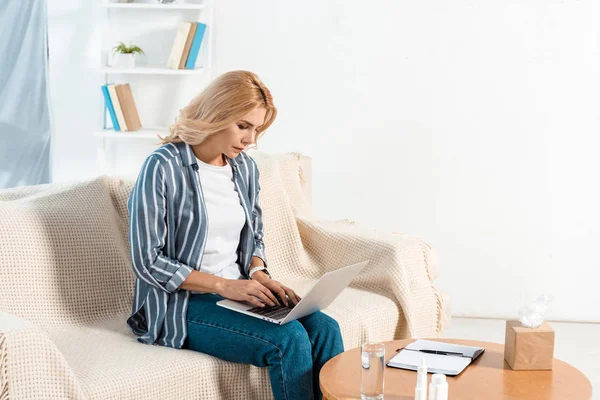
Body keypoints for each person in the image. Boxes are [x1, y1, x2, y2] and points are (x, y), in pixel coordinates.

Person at [126, 70, 344, 400]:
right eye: (243, 126)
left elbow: (254, 235)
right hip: (183, 304)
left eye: (257, 129)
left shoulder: (244, 168)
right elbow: (147, 260)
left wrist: (259, 273)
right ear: (216, 114)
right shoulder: (163, 165)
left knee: (326, 329)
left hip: (240, 291)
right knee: (289, 340)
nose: (250, 139)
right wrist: (225, 285)